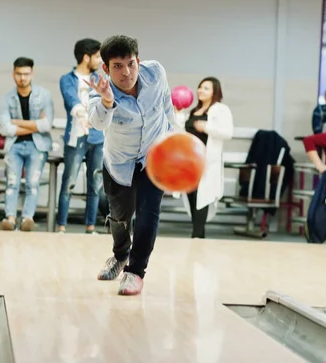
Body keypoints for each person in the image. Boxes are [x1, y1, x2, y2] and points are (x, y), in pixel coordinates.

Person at [85, 34, 181, 296]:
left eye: (131, 63)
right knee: (119, 217)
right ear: (106, 68)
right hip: (119, 162)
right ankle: (119, 255)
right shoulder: (98, 88)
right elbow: (97, 123)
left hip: (154, 156)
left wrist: (175, 137)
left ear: (138, 60)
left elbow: (166, 105)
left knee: (149, 213)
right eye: (117, 66)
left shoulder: (155, 73)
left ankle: (135, 271)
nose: (126, 72)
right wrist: (106, 99)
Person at [0, 57, 54, 231]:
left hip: (37, 147)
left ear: (32, 74)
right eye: (19, 74)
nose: (23, 78)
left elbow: (47, 125)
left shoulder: (44, 95)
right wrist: (34, 124)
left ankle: (27, 219)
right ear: (13, 74)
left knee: (32, 183)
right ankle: (10, 218)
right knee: (12, 183)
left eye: (26, 74)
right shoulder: (7, 98)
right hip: (14, 146)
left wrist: (17, 122)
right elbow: (6, 129)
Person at [57, 38, 105, 234]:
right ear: (86, 57)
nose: (100, 60)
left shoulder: (100, 80)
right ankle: (61, 226)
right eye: (97, 56)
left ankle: (90, 226)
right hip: (76, 137)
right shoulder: (67, 79)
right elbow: (72, 101)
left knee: (95, 184)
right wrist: (83, 114)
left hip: (97, 138)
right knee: (69, 182)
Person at [182, 77, 233, 238]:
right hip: (189, 162)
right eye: (200, 87)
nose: (201, 91)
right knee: (192, 199)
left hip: (206, 162)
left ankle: (196, 236)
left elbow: (228, 132)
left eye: (206, 88)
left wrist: (207, 127)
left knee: (202, 198)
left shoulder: (220, 109)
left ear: (214, 92)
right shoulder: (193, 111)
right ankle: (198, 236)